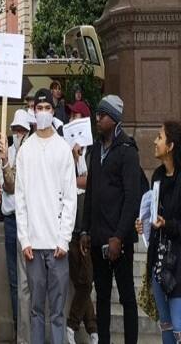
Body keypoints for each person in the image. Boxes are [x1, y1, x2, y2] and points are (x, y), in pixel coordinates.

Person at [14, 89, 77, 344]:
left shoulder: (62, 149)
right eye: (38, 109)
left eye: (46, 109)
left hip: (57, 247)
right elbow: (20, 200)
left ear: (53, 111)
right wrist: (24, 239)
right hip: (33, 247)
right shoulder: (25, 151)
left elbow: (70, 198)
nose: (42, 113)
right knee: (37, 310)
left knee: (58, 313)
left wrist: (64, 240)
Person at [81, 95, 142, 344]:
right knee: (102, 298)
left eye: (102, 115)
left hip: (120, 240)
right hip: (98, 238)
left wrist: (119, 236)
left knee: (127, 297)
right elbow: (91, 192)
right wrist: (85, 229)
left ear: (114, 119)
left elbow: (132, 198)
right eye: (97, 114)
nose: (97, 118)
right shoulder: (95, 151)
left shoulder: (128, 151)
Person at [135, 121, 181, 344]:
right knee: (166, 326)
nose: (154, 141)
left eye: (160, 137)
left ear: (171, 146)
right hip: (159, 264)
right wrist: (145, 225)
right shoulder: (157, 177)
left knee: (179, 327)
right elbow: (153, 216)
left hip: (179, 267)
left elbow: (172, 223)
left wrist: (167, 224)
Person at [0, 108, 32, 338]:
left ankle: (27, 332)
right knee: (13, 279)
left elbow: (18, 185)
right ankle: (20, 326)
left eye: (22, 130)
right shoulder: (6, 152)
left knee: (28, 281)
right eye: (15, 130)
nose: (18, 133)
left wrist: (9, 165)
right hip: (10, 221)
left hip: (27, 221)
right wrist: (7, 161)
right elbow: (7, 186)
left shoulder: (31, 153)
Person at [65, 100, 98, 344]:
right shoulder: (64, 151)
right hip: (70, 226)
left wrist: (78, 162)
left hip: (88, 227)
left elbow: (91, 182)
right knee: (80, 282)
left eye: (77, 115)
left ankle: (71, 325)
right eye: (71, 116)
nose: (73, 119)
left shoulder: (94, 152)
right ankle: (93, 330)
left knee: (86, 282)